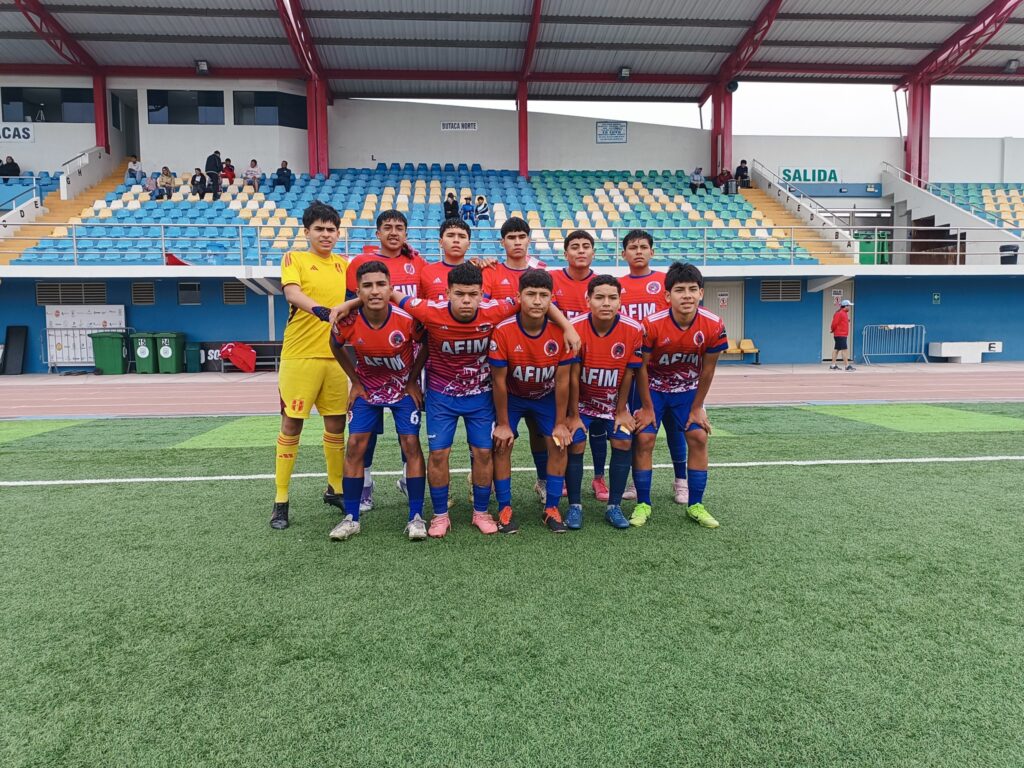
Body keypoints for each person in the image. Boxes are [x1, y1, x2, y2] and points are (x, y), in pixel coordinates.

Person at [327, 260, 428, 541]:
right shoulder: (347, 321)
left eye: (381, 284)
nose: (374, 291)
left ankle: (416, 516)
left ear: (390, 288)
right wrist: (356, 381)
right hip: (368, 390)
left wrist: (412, 380)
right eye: (367, 286)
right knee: (356, 445)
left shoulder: (407, 319)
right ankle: (351, 517)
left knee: (410, 444)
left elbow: (427, 344)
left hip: (402, 390)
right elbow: (334, 345)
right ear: (358, 290)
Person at [269, 201, 349, 531]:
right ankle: (281, 499)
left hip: (335, 358)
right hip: (300, 357)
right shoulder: (295, 258)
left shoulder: (344, 265)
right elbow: (291, 294)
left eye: (331, 229)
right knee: (292, 426)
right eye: (319, 229)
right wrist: (320, 310)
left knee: (335, 426)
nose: (326, 235)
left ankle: (336, 489)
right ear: (307, 232)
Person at [343, 209, 429, 512]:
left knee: (409, 428)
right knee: (364, 429)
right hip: (368, 359)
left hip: (406, 358)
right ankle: (364, 485)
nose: (394, 232)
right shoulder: (359, 263)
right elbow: (351, 309)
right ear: (377, 232)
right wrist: (355, 377)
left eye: (400, 228)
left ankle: (409, 480)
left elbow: (428, 305)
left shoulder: (418, 263)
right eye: (388, 227)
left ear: (407, 234)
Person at [634, 261, 728, 529]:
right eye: (679, 290)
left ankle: (695, 504)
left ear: (701, 293)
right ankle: (643, 503)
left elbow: (708, 370)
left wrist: (698, 407)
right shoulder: (651, 324)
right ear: (667, 296)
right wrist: (647, 407)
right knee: (644, 438)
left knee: (698, 436)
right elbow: (640, 367)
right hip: (654, 388)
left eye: (692, 289)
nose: (686, 295)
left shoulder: (713, 324)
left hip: (687, 389)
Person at [489, 269, 575, 534]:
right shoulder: (503, 331)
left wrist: (560, 423)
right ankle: (505, 507)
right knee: (501, 442)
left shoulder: (560, 332)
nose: (537, 301)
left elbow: (562, 382)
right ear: (519, 297)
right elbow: (499, 382)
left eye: (543, 295)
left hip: (544, 396)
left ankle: (551, 508)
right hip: (513, 396)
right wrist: (503, 424)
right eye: (531, 295)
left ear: (551, 299)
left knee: (559, 442)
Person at [564, 275, 648, 530]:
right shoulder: (575, 327)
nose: (606, 303)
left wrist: (621, 410)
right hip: (582, 405)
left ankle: (614, 506)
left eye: (612, 298)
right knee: (576, 441)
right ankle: (575, 506)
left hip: (613, 405)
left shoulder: (633, 329)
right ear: (587, 299)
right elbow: (572, 377)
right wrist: (573, 414)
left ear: (620, 301)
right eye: (599, 297)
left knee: (623, 438)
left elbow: (629, 373)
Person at [617, 229, 689, 505]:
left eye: (643, 246)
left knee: (675, 429)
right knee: (639, 428)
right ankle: (637, 482)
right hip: (636, 371)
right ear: (623, 254)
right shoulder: (617, 285)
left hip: (668, 370)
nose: (638, 251)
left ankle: (680, 481)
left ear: (652, 251)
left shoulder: (664, 282)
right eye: (632, 247)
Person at [549, 230, 611, 500]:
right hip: (561, 364)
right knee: (562, 422)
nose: (581, 251)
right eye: (575, 247)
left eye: (586, 246)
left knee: (597, 426)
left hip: (596, 364)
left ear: (593, 253)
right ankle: (560, 477)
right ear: (565, 254)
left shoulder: (602, 284)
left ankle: (599, 477)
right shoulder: (552, 279)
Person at [830, 299, 856, 371]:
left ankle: (833, 365)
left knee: (837, 349)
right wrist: (832, 329)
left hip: (841, 334)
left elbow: (840, 321)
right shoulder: (840, 313)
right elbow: (834, 323)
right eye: (849, 306)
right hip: (840, 334)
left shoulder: (844, 313)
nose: (850, 307)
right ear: (845, 306)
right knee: (844, 350)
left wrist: (847, 320)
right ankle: (847, 366)